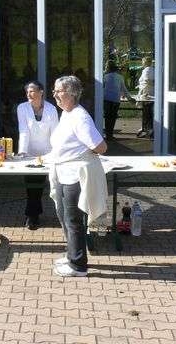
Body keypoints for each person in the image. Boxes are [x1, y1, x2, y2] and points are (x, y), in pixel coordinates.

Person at [46, 76, 107, 277]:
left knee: (73, 220)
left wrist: (83, 155)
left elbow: (101, 147)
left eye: (59, 91)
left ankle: (78, 265)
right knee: (64, 215)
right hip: (62, 172)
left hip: (75, 175)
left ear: (72, 93)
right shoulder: (66, 113)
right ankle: (71, 254)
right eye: (54, 90)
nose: (54, 94)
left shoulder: (80, 117)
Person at [16, 80, 59, 230]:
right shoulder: (22, 108)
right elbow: (23, 130)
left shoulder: (51, 109)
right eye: (27, 92)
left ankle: (34, 215)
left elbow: (55, 132)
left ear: (41, 92)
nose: (29, 94)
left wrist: (56, 152)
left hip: (48, 153)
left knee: (44, 185)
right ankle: (32, 216)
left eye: (32, 91)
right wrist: (22, 152)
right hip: (29, 153)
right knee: (31, 185)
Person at [103, 61, 134, 140]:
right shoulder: (120, 77)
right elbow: (124, 89)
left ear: (108, 67)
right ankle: (110, 135)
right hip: (116, 99)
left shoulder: (105, 76)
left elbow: (102, 88)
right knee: (113, 117)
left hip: (106, 99)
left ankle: (108, 135)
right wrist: (129, 98)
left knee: (107, 117)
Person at [136, 57, 154, 138]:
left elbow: (147, 80)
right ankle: (148, 129)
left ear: (145, 62)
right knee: (149, 112)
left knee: (146, 113)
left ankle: (146, 130)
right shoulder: (153, 70)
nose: (142, 63)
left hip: (146, 94)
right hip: (151, 93)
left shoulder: (146, 70)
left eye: (142, 62)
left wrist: (142, 86)